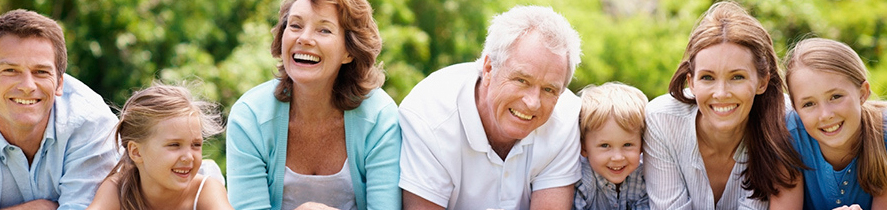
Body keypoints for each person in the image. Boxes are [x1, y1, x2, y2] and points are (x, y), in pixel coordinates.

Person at [398, 5, 582, 210]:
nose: (533, 103)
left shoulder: (566, 117)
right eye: (522, 80)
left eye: (549, 90)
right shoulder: (429, 115)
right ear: (488, 69)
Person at [225, 0, 401, 209]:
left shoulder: (379, 117)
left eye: (324, 30)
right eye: (295, 25)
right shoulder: (249, 117)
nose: (304, 38)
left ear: (349, 51)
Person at [0, 9, 118, 209]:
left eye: (40, 72)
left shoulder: (91, 122)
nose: (27, 85)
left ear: (59, 83)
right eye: (11, 70)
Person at [642, 1, 805, 209]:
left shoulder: (785, 121)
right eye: (708, 78)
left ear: (762, 82)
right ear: (691, 82)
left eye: (737, 77)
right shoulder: (662, 120)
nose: (721, 94)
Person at [769, 38, 887, 210]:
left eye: (835, 97)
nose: (825, 115)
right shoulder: (789, 136)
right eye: (808, 104)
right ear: (795, 109)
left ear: (863, 93)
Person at [86, 84, 232, 210]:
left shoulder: (205, 190)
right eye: (174, 145)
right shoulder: (118, 189)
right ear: (136, 152)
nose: (188, 157)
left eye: (196, 145)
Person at [574, 82, 649, 210]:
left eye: (627, 144)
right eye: (605, 145)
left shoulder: (643, 177)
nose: (617, 157)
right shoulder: (580, 181)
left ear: (642, 145)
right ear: (584, 148)